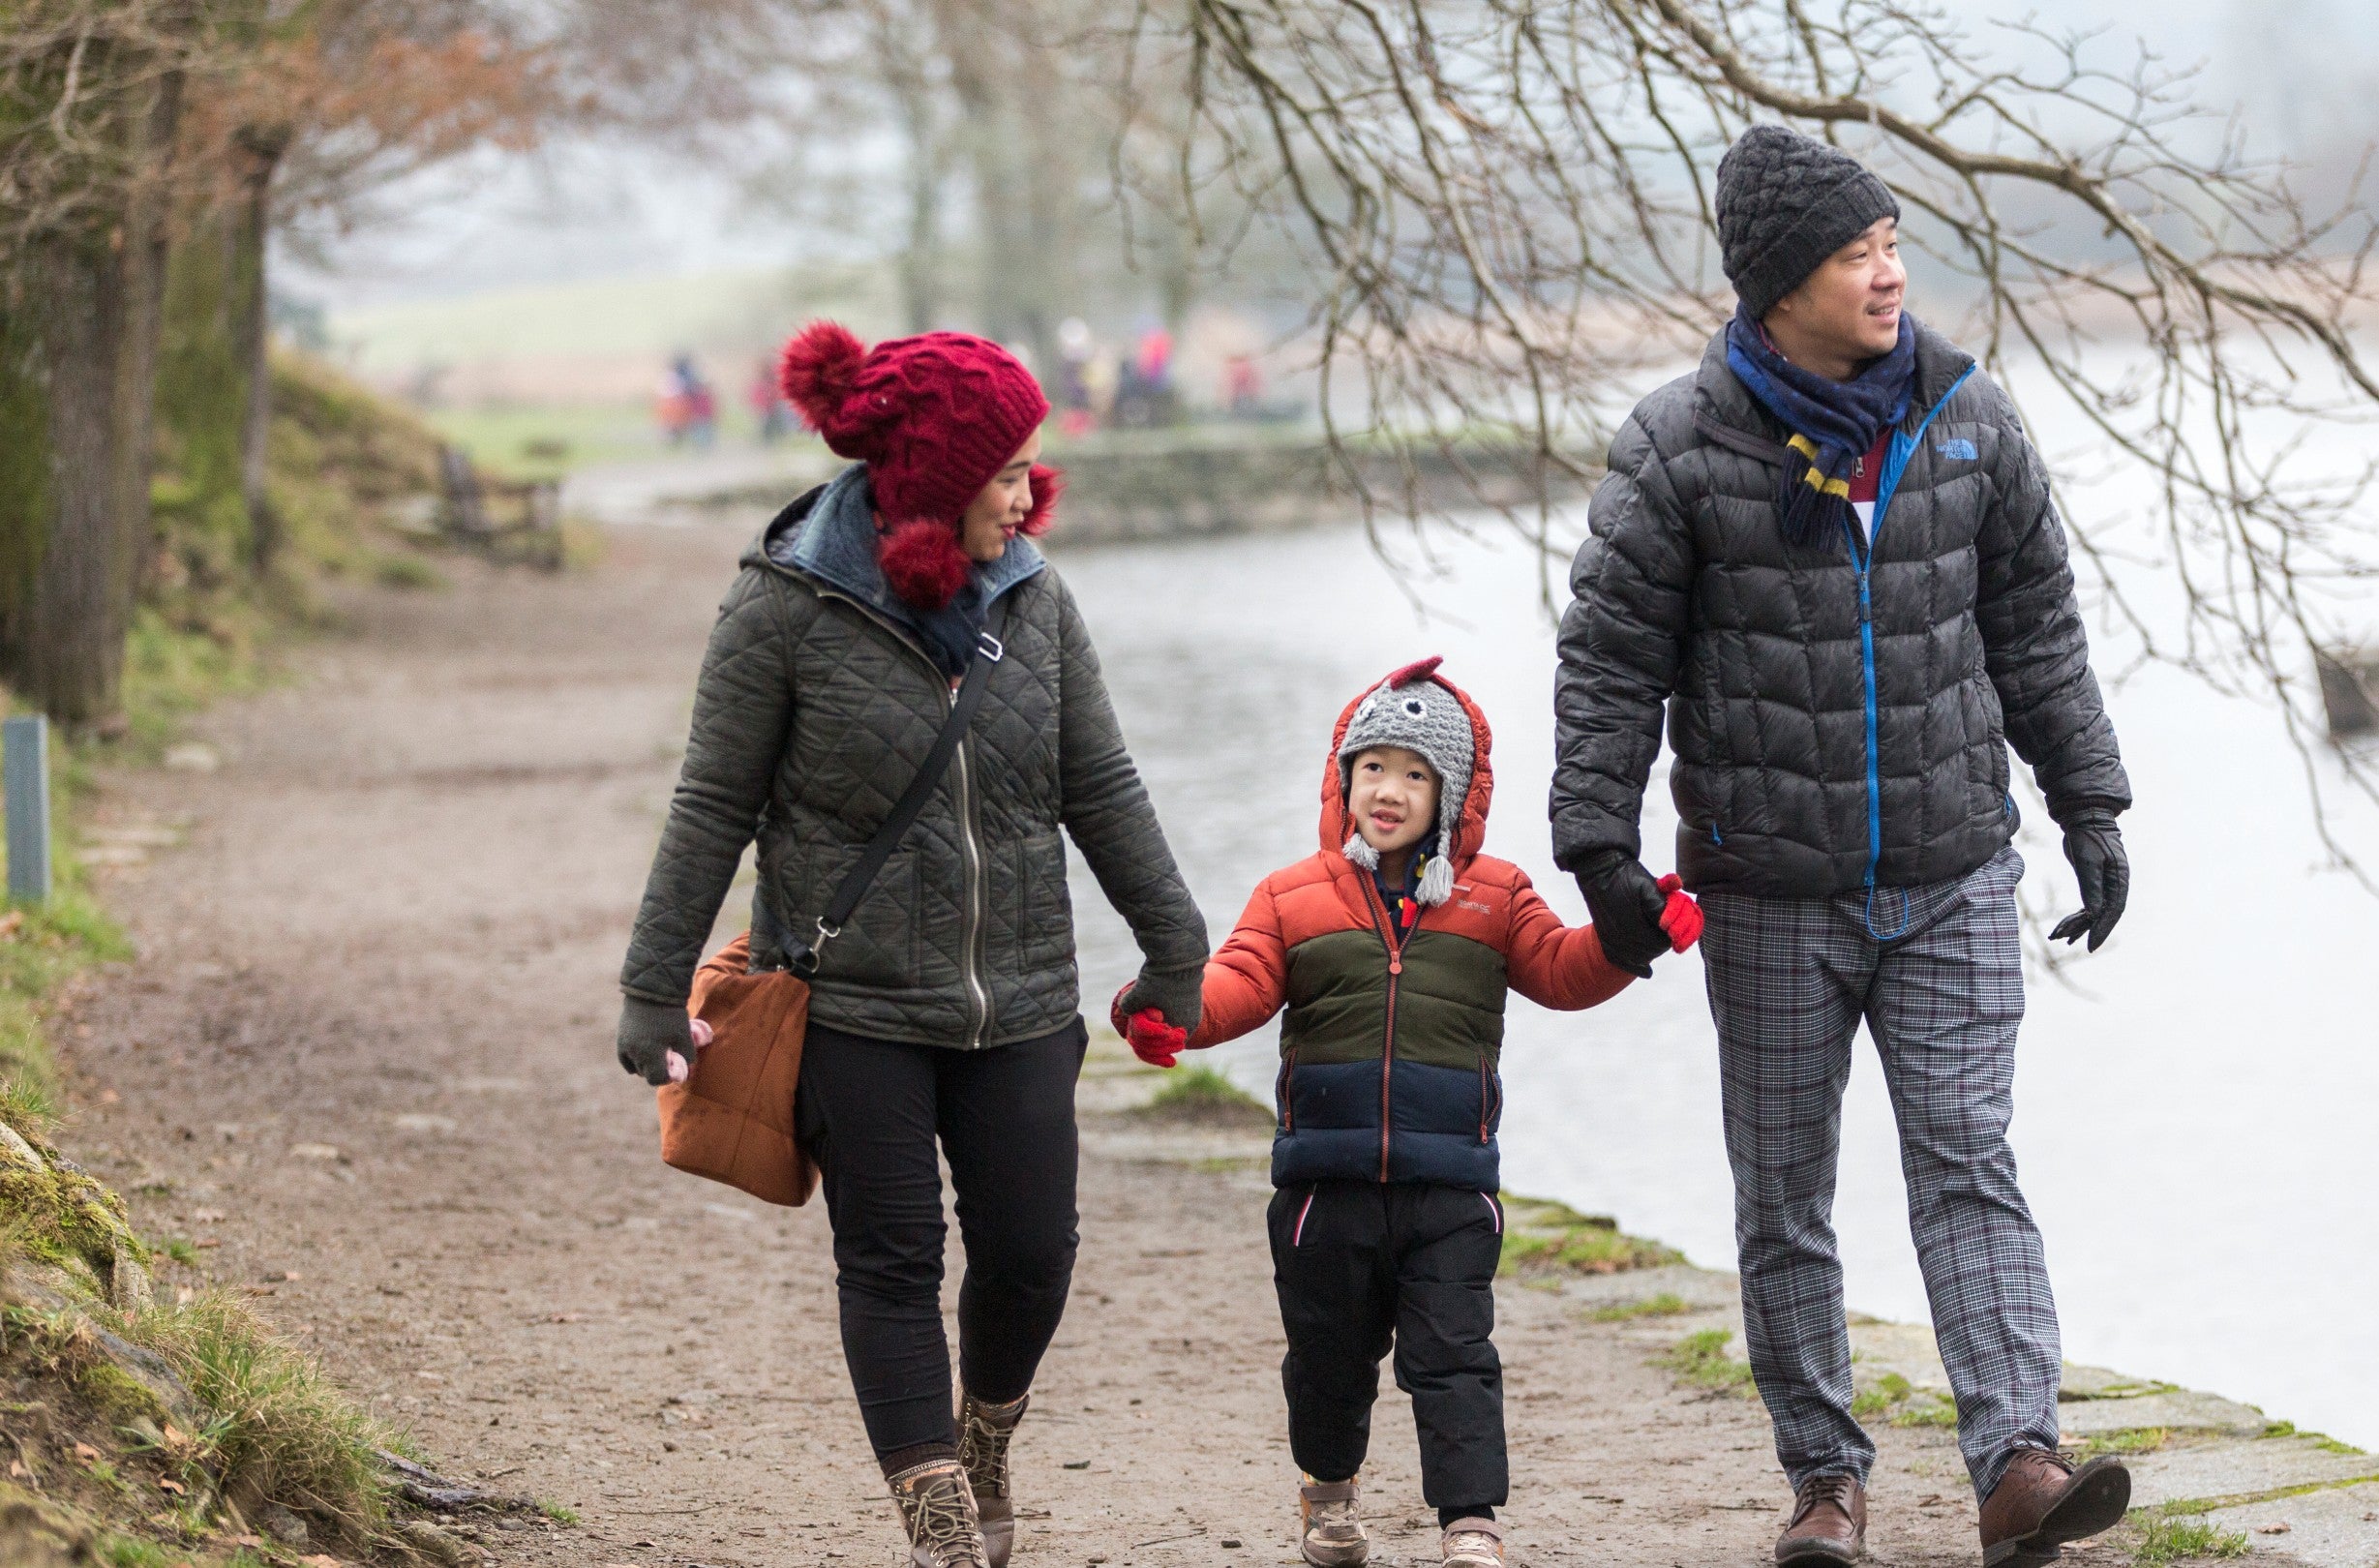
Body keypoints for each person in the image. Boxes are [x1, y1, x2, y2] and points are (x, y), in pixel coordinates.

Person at [1550, 123, 2136, 1568]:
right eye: (1855, 252)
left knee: (1967, 1160)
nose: (1888, 273)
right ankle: (1826, 1483)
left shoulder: (1971, 420)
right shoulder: (1678, 446)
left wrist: (2092, 804)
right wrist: (1599, 849)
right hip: (1764, 894)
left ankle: (2017, 1463)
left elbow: (2039, 632)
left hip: (1951, 873)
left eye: (1891, 244)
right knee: (1785, 1196)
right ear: (1777, 283)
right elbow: (1611, 663)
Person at [614, 322, 1210, 1568]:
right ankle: (938, 1519)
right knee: (891, 1261)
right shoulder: (780, 608)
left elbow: (1098, 781)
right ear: (935, 475)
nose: (1028, 493)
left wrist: (1174, 942)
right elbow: (711, 806)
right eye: (1003, 471)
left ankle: (985, 1435)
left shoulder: (1036, 598)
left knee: (1033, 1251)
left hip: (1024, 1002)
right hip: (852, 1005)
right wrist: (650, 987)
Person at [1120, 657, 1700, 1568]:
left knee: (1455, 1356)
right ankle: (1329, 1490)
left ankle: (1470, 1521)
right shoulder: (1290, 895)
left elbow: (1562, 971)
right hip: (1325, 1190)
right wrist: (1170, 1011)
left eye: (1416, 774)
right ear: (1342, 778)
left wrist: (1631, 936)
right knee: (1328, 1361)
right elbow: (1235, 984)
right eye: (1373, 767)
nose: (1388, 791)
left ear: (1456, 793)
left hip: (1449, 1188)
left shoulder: (1496, 895)